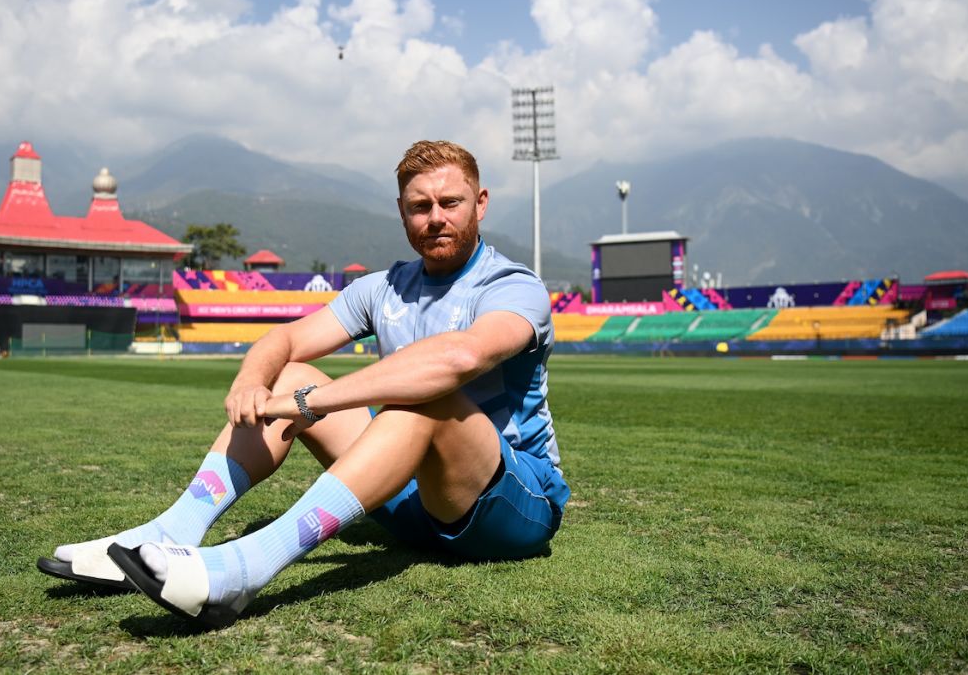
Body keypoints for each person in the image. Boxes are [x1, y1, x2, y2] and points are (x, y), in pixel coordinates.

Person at [38, 139, 570, 624]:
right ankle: (174, 528)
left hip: (508, 506)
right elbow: (286, 340)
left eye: (449, 203)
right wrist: (252, 380)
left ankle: (247, 568)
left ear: (480, 203)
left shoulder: (512, 286)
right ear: (402, 213)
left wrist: (312, 402)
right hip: (411, 503)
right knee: (286, 372)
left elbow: (458, 358)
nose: (435, 218)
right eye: (419, 206)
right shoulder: (385, 287)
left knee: (426, 399)